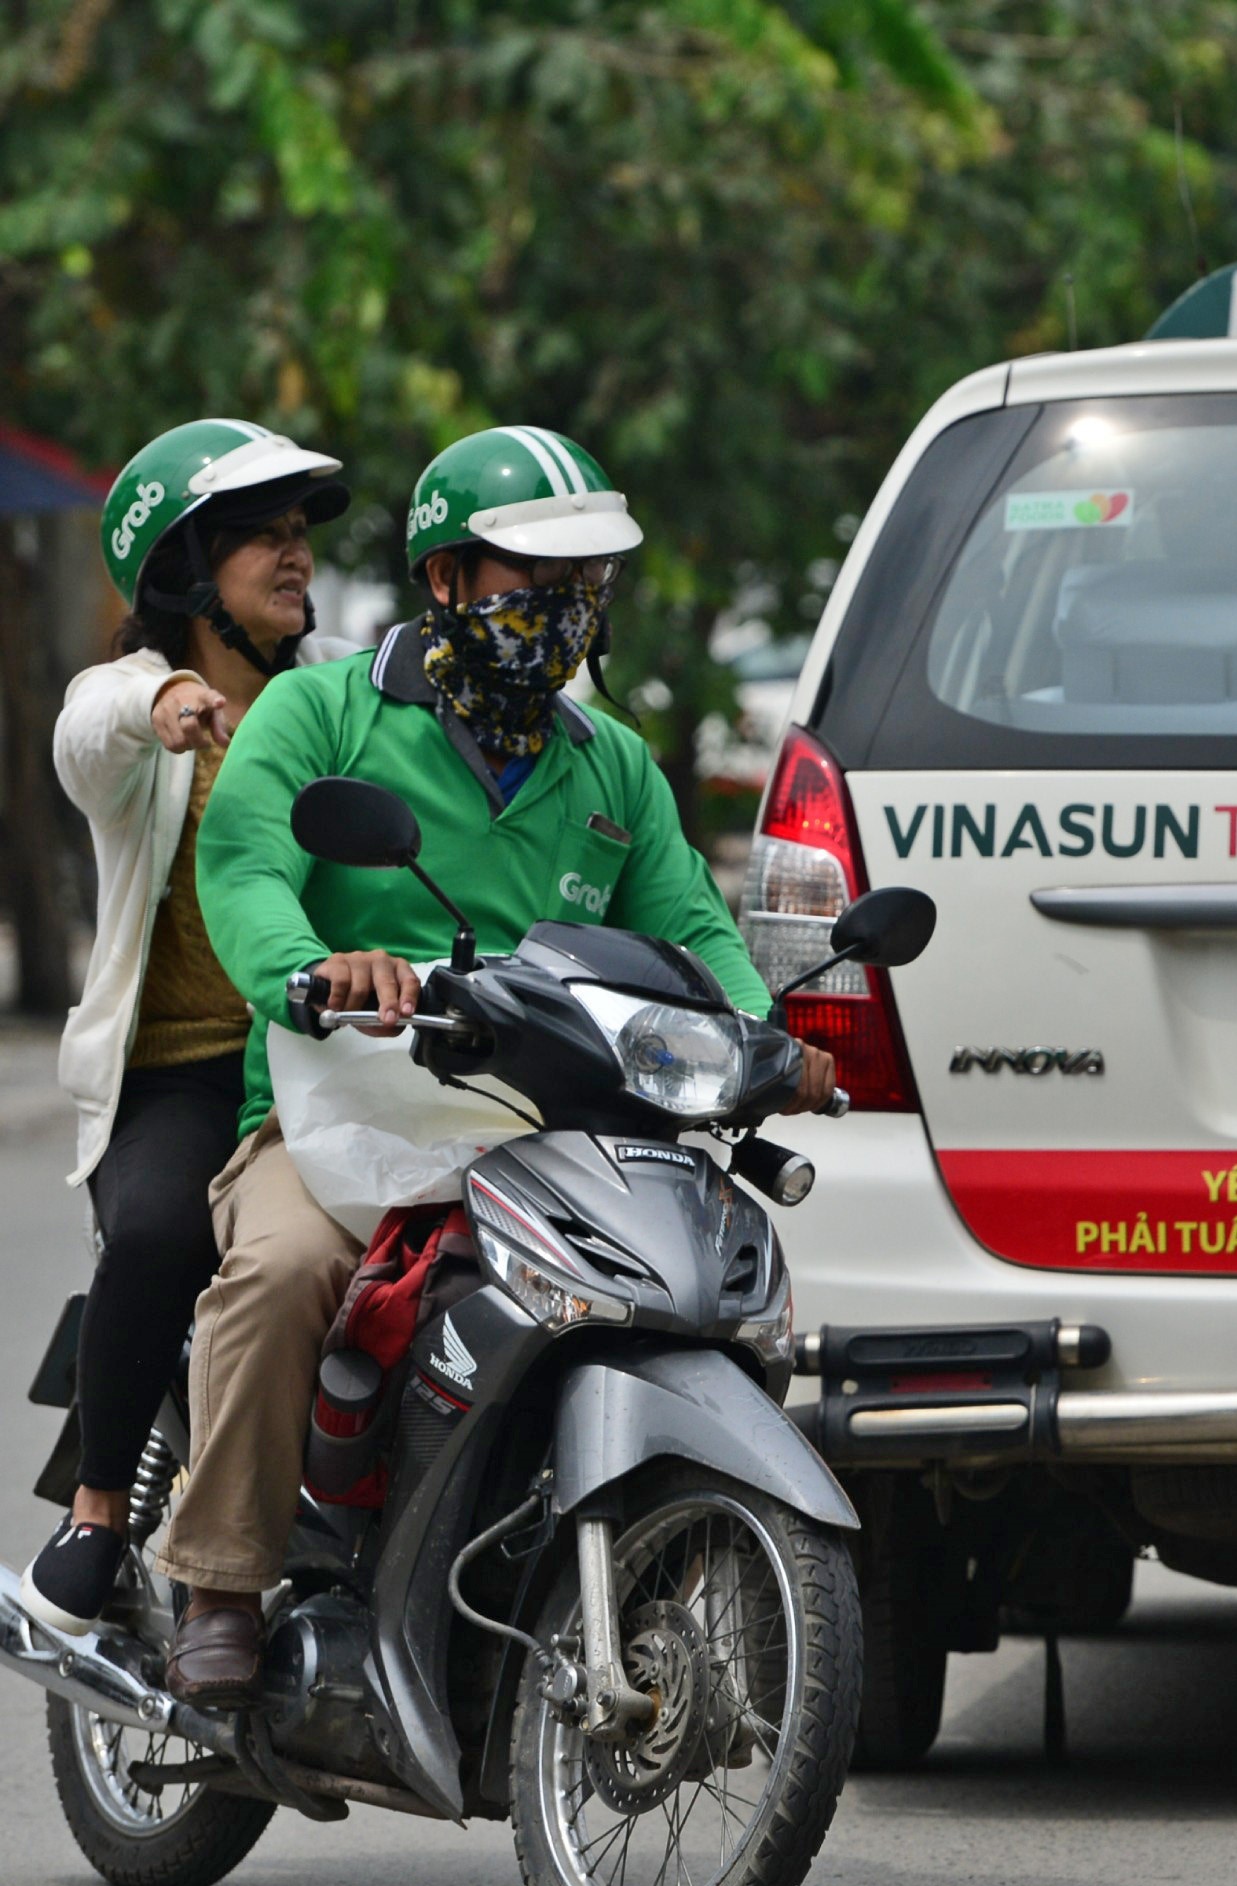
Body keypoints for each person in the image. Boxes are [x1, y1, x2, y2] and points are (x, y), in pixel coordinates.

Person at [156, 425, 837, 1703]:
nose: (563, 609)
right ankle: (223, 1577)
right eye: (534, 578)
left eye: (584, 585)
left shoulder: (609, 764)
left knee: (670, 1282)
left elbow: (691, 926)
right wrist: (317, 967)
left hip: (534, 1123)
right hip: (330, 1113)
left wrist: (767, 1042)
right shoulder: (321, 711)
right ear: (448, 579)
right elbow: (244, 869)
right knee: (288, 1267)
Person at [20, 421, 352, 1635]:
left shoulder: (328, 703)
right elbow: (85, 725)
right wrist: (160, 698)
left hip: (319, 1069)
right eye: (262, 533)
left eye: (300, 531)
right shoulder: (141, 719)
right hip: (173, 1082)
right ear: (180, 565)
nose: (294, 554)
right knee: (160, 1229)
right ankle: (101, 1511)